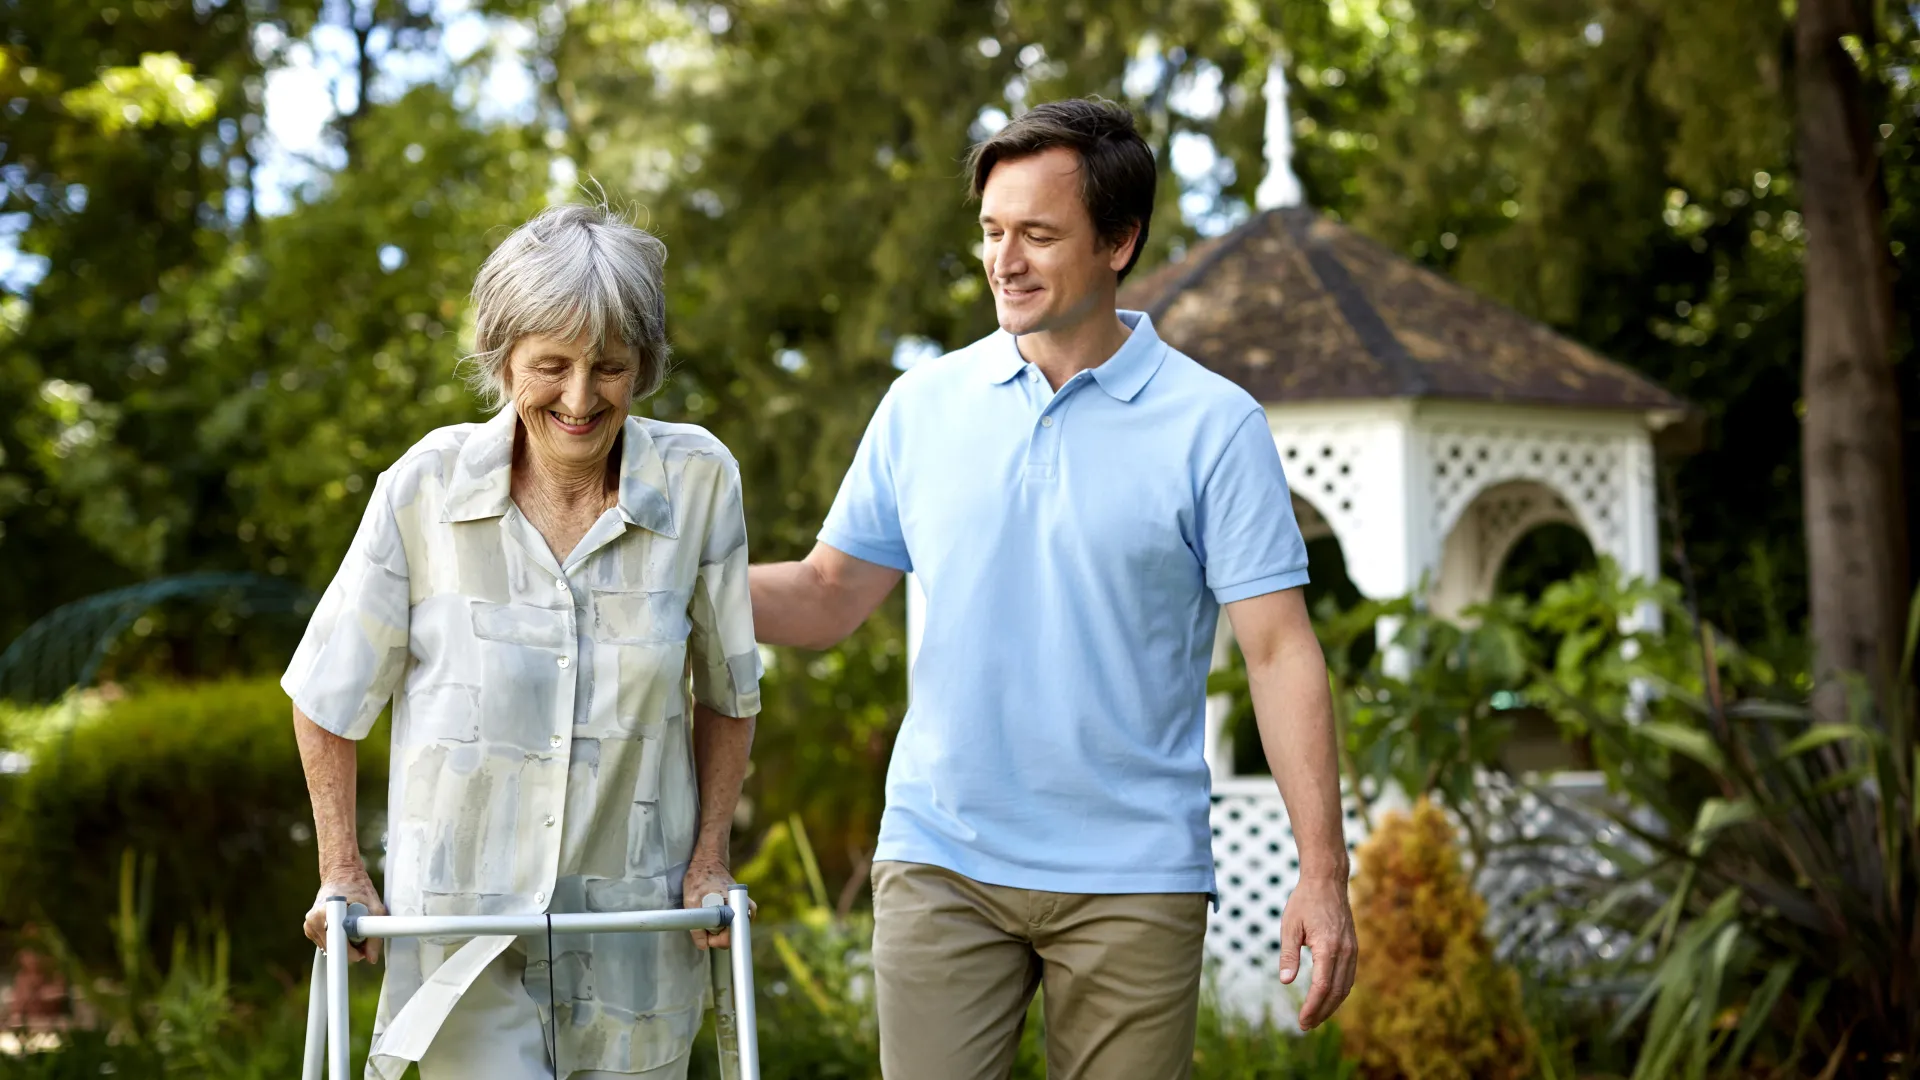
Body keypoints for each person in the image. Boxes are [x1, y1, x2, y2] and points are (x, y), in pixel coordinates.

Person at [749, 98, 1358, 1078]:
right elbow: (827, 595)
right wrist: (677, 583)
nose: (1005, 261)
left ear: (1120, 242)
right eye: (992, 231)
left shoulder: (1214, 426)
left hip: (1134, 874)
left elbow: (1280, 652)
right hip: (943, 858)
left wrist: (1322, 874)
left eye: (1037, 234)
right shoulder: (922, 406)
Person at [286, 203, 761, 1080]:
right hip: (462, 942)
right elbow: (326, 693)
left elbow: (729, 691)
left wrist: (709, 860)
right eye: (551, 366)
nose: (580, 399)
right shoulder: (425, 488)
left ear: (643, 367)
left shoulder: (697, 481)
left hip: (632, 937)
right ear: (503, 359)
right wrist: (341, 867)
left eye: (609, 367)